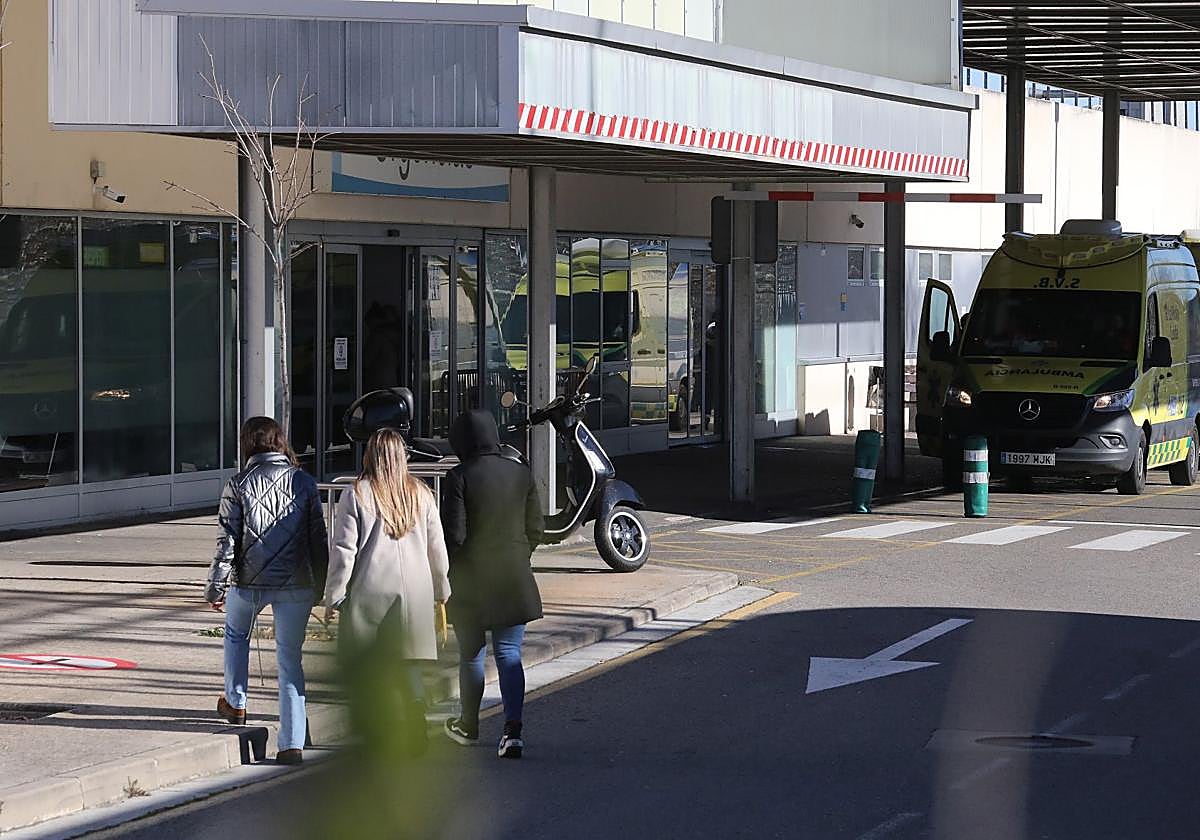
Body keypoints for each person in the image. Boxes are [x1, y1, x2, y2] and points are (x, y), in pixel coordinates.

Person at [206, 417, 328, 766]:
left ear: (246, 444)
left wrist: (215, 588)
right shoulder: (303, 482)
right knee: (290, 660)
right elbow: (317, 540)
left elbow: (226, 541)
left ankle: (237, 702)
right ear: (280, 442)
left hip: (249, 582)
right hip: (296, 585)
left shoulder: (237, 484)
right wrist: (322, 585)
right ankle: (290, 743)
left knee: (235, 634)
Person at [323, 427, 450, 756]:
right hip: (417, 593)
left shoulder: (358, 493)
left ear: (371, 455)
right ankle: (416, 716)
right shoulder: (421, 493)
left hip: (372, 591)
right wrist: (441, 587)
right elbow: (437, 548)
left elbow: (344, 550)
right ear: (402, 456)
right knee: (408, 664)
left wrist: (334, 594)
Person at [441, 410, 543, 759]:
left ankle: (468, 725)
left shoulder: (459, 477)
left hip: (472, 580)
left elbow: (454, 536)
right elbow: (536, 529)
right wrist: (519, 555)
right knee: (509, 654)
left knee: (471, 655)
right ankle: (512, 730)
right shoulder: (520, 473)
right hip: (513, 575)